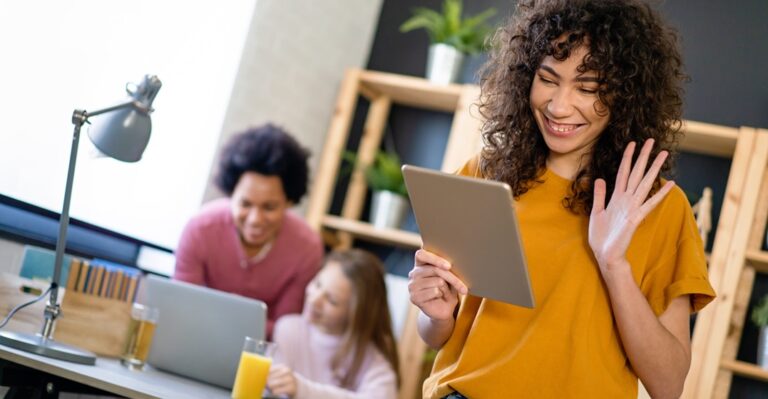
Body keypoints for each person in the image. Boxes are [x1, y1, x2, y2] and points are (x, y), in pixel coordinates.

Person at [407, 1, 716, 398]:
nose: (558, 105)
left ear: (626, 95)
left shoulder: (657, 208)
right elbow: (439, 334)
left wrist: (614, 264)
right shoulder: (486, 174)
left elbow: (669, 385)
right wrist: (433, 313)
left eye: (587, 88)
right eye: (548, 79)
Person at [174, 124, 323, 337]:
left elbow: (285, 330)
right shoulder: (200, 229)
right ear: (230, 194)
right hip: (194, 337)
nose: (255, 219)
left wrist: (217, 319)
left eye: (269, 207)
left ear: (289, 201)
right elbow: (181, 304)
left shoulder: (307, 247)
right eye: (245, 204)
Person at [266, 249, 400, 399]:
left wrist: (302, 390)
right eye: (317, 284)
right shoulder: (288, 328)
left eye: (332, 300)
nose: (314, 300)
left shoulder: (371, 359)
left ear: (355, 313)